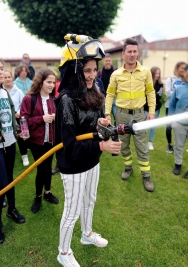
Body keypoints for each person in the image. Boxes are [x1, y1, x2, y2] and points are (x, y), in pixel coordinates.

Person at [55, 34, 121, 267]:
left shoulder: (92, 92)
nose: (92, 75)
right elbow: (70, 146)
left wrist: (99, 125)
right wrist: (102, 144)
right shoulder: (66, 100)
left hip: (92, 160)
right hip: (73, 164)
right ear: (73, 71)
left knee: (89, 200)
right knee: (72, 210)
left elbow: (88, 126)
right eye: (86, 70)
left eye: (94, 69)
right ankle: (63, 253)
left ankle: (86, 234)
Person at [105, 38, 156, 192]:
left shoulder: (145, 72)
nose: (132, 54)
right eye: (129, 52)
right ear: (124, 54)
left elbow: (150, 92)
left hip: (140, 115)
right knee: (124, 145)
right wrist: (107, 113)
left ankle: (146, 175)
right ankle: (128, 168)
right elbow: (109, 94)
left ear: (138, 53)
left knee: (141, 146)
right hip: (121, 115)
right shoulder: (116, 74)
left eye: (135, 51)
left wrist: (152, 112)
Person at [0, 57, 25, 244]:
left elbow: (10, 117)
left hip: (10, 144)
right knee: (1, 184)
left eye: (2, 68)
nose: (1, 72)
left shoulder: (4, 92)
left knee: (10, 179)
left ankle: (11, 209)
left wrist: (19, 133)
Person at [20, 68, 59, 214]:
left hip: (51, 141)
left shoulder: (54, 99)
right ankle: (38, 197)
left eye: (53, 82)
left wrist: (56, 117)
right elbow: (23, 120)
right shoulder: (29, 99)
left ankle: (47, 193)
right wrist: (41, 119)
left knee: (48, 169)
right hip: (36, 142)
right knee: (42, 170)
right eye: (48, 82)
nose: (51, 85)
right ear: (40, 81)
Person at [2, 70, 29, 166]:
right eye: (5, 77)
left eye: (9, 77)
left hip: (18, 117)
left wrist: (18, 113)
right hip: (5, 119)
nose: (7, 79)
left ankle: (24, 155)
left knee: (21, 138)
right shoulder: (0, 91)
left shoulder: (18, 91)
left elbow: (24, 104)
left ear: (12, 78)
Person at [169, 64, 188, 177]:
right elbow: (172, 105)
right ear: (185, 73)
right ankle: (178, 165)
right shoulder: (179, 88)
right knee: (178, 146)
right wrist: (172, 121)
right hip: (179, 124)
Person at [165, 61, 186, 153]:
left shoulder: (184, 80)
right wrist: (177, 93)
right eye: (182, 68)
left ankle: (180, 146)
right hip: (169, 106)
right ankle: (169, 145)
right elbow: (167, 94)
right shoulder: (170, 79)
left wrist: (176, 92)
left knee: (182, 127)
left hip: (181, 108)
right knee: (169, 127)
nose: (184, 70)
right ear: (177, 68)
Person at [144, 67, 164, 150]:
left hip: (156, 109)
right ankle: (143, 142)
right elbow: (144, 95)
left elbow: (159, 96)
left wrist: (150, 95)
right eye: (156, 73)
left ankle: (150, 142)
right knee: (145, 125)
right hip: (145, 108)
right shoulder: (146, 83)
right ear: (152, 73)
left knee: (153, 126)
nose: (157, 75)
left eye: (159, 73)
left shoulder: (161, 85)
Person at [98, 53, 117, 125]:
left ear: (111, 61)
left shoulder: (116, 71)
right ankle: (107, 132)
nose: (108, 62)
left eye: (109, 60)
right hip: (104, 98)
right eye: (106, 61)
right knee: (105, 117)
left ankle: (115, 133)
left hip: (114, 98)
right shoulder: (100, 72)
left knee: (116, 116)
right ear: (103, 62)